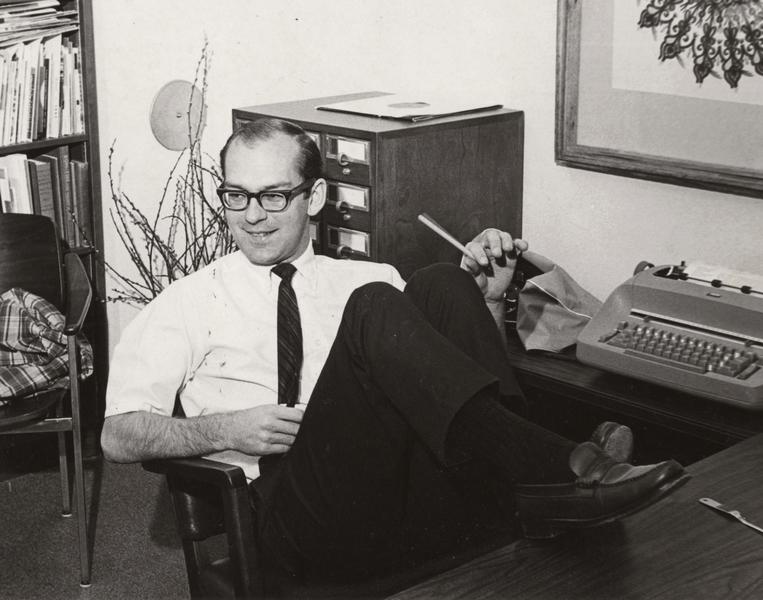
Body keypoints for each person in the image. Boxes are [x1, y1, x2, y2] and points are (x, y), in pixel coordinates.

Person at [102, 117, 689, 587]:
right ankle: (553, 472)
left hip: (402, 496)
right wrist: (225, 428)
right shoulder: (187, 301)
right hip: (296, 517)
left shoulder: (366, 275)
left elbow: (444, 385)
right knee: (377, 304)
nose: (252, 216)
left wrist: (488, 301)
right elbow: (118, 434)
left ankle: (530, 478)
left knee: (442, 282)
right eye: (237, 195)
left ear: (316, 197)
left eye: (275, 196)